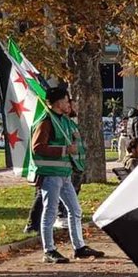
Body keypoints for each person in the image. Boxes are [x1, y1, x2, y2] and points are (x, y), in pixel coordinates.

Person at [30, 87, 104, 263]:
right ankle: (49, 250)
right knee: (50, 211)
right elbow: (37, 147)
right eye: (66, 100)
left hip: (64, 174)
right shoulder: (46, 122)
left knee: (75, 210)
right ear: (58, 102)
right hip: (51, 174)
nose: (68, 103)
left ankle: (79, 247)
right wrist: (64, 150)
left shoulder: (62, 121)